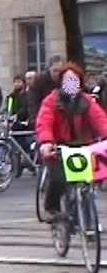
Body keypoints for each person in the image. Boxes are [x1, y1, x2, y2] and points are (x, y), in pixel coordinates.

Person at [35, 62, 107, 222]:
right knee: (58, 178)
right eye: (67, 80)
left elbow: (101, 120)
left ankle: (89, 225)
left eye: (74, 80)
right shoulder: (51, 101)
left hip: (82, 146)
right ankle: (51, 208)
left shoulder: (87, 101)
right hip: (58, 147)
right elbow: (44, 122)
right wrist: (46, 142)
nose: (70, 84)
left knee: (89, 181)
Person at [27, 55, 64, 126]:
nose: (57, 74)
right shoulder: (39, 81)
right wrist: (36, 123)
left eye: (60, 71)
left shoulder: (66, 80)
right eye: (55, 71)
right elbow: (33, 104)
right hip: (43, 119)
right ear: (49, 69)